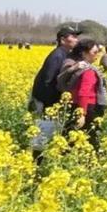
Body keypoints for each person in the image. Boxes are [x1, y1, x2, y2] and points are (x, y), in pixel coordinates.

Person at [29, 27, 81, 160]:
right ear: (63, 40)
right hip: (49, 103)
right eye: (73, 36)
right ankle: (36, 163)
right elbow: (47, 82)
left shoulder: (64, 54)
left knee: (50, 134)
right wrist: (52, 105)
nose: (77, 39)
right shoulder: (57, 55)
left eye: (77, 36)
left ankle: (44, 160)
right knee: (44, 132)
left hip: (54, 104)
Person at [58, 39, 107, 152]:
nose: (97, 55)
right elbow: (84, 93)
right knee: (88, 140)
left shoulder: (79, 67)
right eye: (94, 52)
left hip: (76, 106)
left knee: (73, 138)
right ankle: (88, 165)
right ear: (84, 53)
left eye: (98, 52)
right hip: (87, 108)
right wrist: (82, 114)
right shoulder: (87, 71)